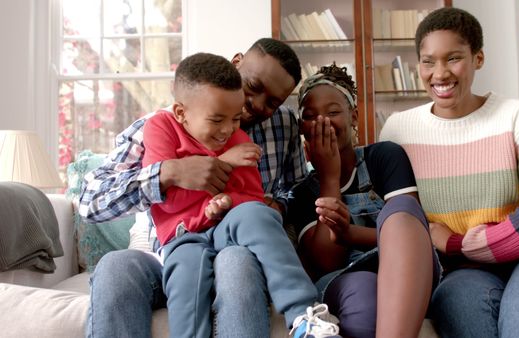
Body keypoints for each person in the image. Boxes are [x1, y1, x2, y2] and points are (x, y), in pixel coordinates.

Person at [379, 7, 519, 338]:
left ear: (478, 58)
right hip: (464, 273)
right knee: (464, 314)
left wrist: (455, 243)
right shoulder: (398, 130)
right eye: (428, 61)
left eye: (453, 58)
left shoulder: (514, 115)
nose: (439, 73)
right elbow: (391, 219)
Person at [81, 38, 309, 338]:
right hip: (172, 254)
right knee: (115, 266)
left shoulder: (283, 125)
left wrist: (276, 206)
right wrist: (166, 173)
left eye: (272, 102)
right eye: (253, 86)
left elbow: (297, 187)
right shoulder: (159, 126)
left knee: (235, 262)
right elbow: (90, 201)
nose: (256, 104)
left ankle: (305, 317)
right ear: (237, 62)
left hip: (240, 251)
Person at [139, 52, 339, 338]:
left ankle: (304, 317)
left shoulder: (238, 137)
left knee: (259, 215)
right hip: (183, 236)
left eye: (234, 119)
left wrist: (228, 201)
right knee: (186, 279)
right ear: (182, 113)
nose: (228, 130)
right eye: (217, 120)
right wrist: (223, 164)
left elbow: (253, 197)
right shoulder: (161, 128)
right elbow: (165, 198)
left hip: (224, 226)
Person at [286, 63, 440, 338]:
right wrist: (329, 178)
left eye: (333, 112)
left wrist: (349, 234)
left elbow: (413, 235)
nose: (323, 122)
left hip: (407, 270)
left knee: (402, 209)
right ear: (302, 128)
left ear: (354, 116)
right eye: (310, 116)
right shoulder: (301, 192)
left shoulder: (384, 157)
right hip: (344, 278)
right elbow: (327, 263)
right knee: (363, 287)